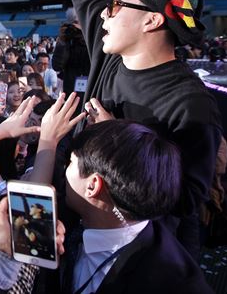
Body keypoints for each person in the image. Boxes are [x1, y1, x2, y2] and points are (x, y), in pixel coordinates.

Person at [30, 0, 222, 258]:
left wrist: (118, 145)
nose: (104, 14)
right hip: (80, 232)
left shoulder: (191, 103)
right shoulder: (108, 55)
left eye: (116, 5)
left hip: (134, 257)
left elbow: (188, 199)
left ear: (152, 20)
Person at [62, 120, 212, 294]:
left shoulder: (174, 284)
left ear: (93, 185)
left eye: (71, 162)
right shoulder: (66, 224)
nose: (64, 168)